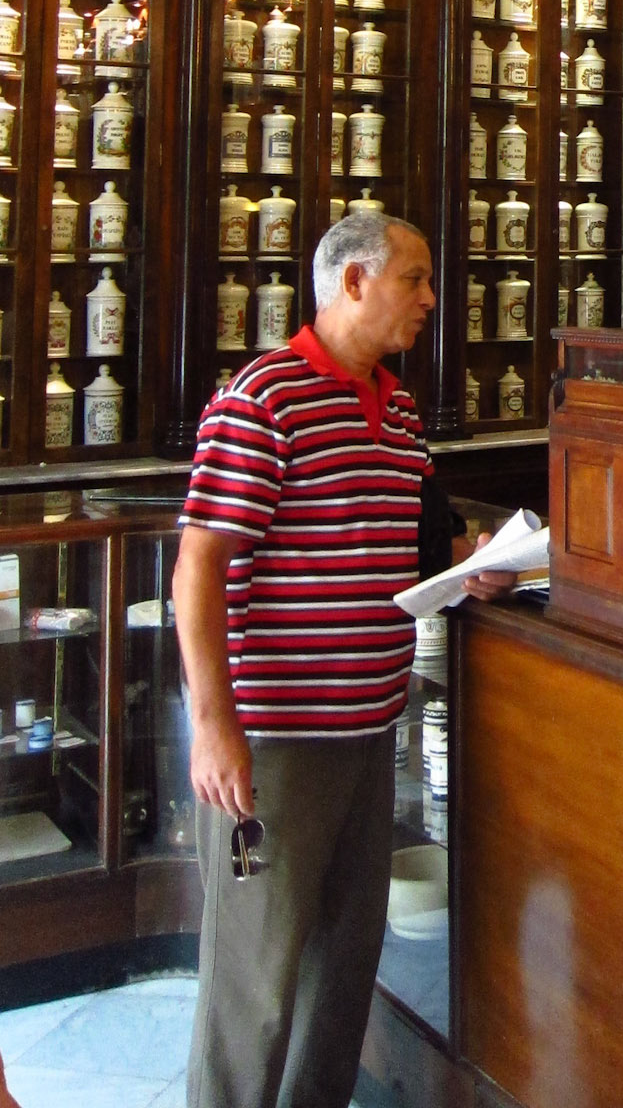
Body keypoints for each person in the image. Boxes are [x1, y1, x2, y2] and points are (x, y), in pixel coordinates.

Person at [174, 212, 437, 1108]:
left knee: (342, 974)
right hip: (277, 743)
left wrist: (466, 577)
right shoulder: (265, 397)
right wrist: (215, 728)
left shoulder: (397, 406)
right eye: (415, 279)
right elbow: (198, 566)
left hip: (369, 734)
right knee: (256, 983)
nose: (430, 300)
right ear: (354, 281)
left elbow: (386, 549)